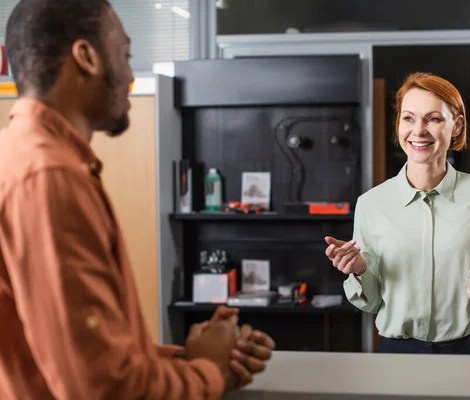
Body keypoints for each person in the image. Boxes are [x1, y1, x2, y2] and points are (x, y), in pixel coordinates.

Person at [0, 1, 274, 398]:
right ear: (86, 57)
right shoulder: (49, 178)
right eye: (125, 56)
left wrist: (186, 358)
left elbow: (69, 352)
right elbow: (104, 388)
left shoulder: (19, 156)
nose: (130, 74)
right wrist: (210, 370)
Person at [325, 72, 470, 354]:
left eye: (433, 118)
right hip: (397, 355)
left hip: (466, 353)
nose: (418, 130)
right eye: (408, 118)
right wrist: (359, 270)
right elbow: (373, 301)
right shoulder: (372, 203)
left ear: (456, 125)